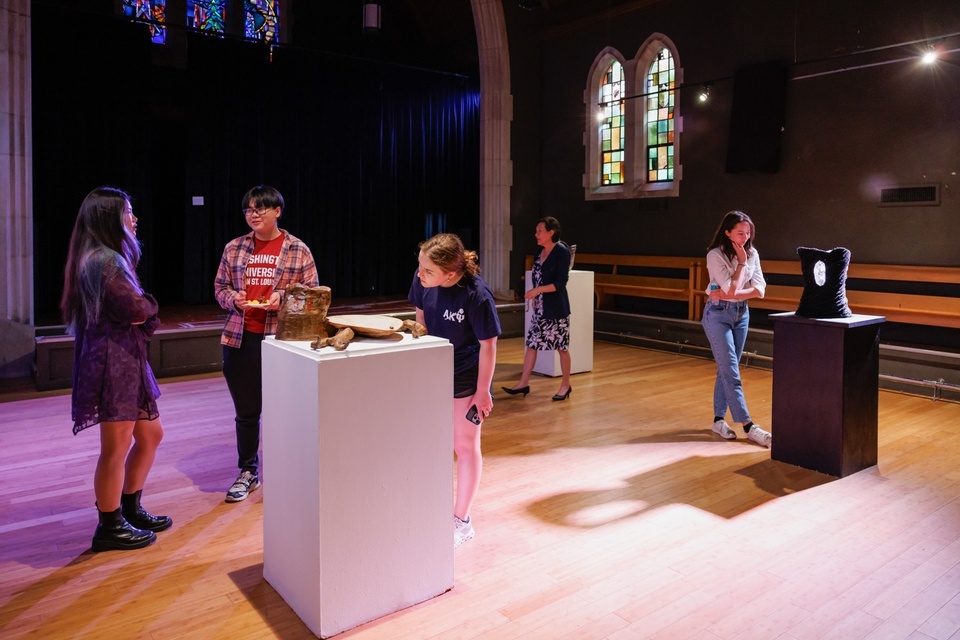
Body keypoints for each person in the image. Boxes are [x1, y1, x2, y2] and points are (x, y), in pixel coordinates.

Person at [61, 187, 172, 552]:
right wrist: (148, 308)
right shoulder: (103, 260)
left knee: (150, 435)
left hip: (125, 356)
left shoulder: (105, 256)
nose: (134, 218)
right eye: (127, 212)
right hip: (113, 361)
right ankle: (108, 526)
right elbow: (137, 309)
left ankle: (129, 508)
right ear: (109, 217)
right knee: (116, 446)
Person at [215, 185, 319, 502]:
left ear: (277, 211)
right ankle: (248, 471)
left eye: (261, 208)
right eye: (249, 209)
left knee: (286, 411)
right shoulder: (234, 248)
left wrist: (284, 298)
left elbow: (313, 296)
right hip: (241, 338)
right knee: (247, 412)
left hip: (283, 341)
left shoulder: (298, 249)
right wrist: (235, 299)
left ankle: (289, 471)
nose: (254, 214)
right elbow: (220, 289)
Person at [408, 233, 501, 548]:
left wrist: (483, 392)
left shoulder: (477, 296)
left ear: (451, 273)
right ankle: (431, 508)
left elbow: (489, 345)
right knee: (431, 444)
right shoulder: (424, 281)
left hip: (465, 377)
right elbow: (420, 316)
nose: (420, 275)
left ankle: (461, 520)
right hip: (433, 374)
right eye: (419, 267)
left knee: (464, 445)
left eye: (428, 271)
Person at [702, 210, 772, 448]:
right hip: (717, 314)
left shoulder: (753, 253)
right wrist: (741, 264)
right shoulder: (715, 255)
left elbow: (760, 289)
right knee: (731, 369)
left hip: (742, 314)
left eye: (748, 232)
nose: (745, 237)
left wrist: (735, 293)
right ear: (727, 232)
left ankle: (718, 420)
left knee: (727, 368)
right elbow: (730, 288)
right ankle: (749, 426)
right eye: (740, 233)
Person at [502, 216, 573, 401]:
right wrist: (536, 296)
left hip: (556, 308)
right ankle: (523, 383)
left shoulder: (562, 252)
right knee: (531, 345)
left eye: (540, 231)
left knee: (562, 347)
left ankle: (566, 385)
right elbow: (537, 276)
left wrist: (537, 291)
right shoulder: (538, 252)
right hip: (541, 307)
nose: (536, 234)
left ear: (551, 232)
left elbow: (560, 283)